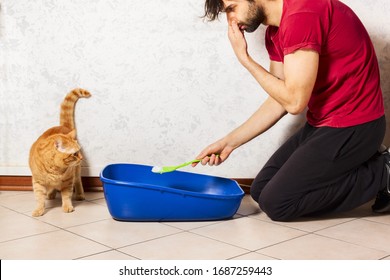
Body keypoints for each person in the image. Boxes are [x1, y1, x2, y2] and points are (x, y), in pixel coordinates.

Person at [194, 0, 390, 221]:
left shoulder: (303, 16)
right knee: (260, 190)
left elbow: (295, 102)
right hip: (324, 123)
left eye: (232, 8)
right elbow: (280, 100)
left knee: (278, 203)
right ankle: (366, 161)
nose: (231, 21)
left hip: (356, 126)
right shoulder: (275, 32)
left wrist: (245, 60)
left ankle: (384, 173)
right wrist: (229, 142)